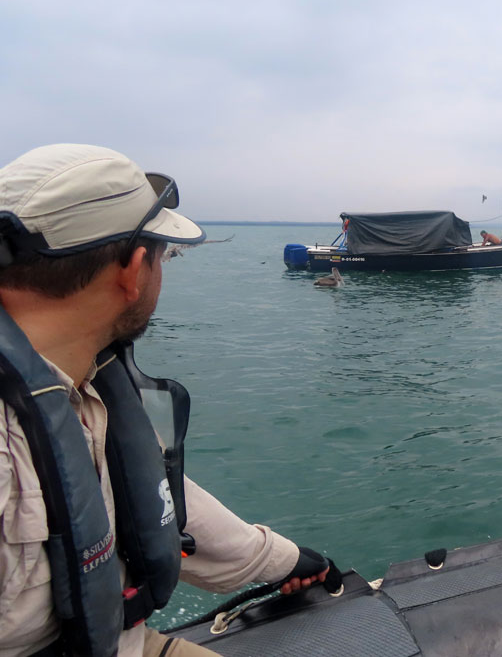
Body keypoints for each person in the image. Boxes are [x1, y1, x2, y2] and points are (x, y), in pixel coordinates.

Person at [0, 144, 336, 656]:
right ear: (134, 270)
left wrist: (283, 560)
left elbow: (146, 493)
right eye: (161, 256)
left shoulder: (80, 382)